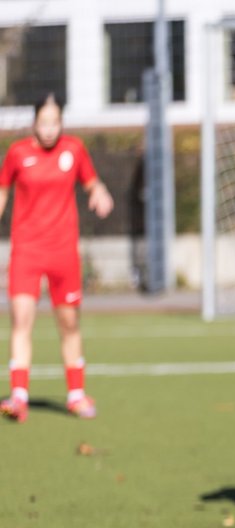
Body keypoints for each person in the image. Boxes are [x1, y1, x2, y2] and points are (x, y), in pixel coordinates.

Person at [0, 93, 114, 423]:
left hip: (63, 252)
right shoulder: (18, 153)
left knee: (69, 323)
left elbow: (91, 182)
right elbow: (3, 189)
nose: (49, 129)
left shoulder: (74, 149)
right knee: (21, 320)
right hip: (27, 251)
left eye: (55, 122)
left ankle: (76, 395)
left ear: (61, 122)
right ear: (34, 123)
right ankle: (19, 396)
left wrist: (99, 192)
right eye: (43, 122)